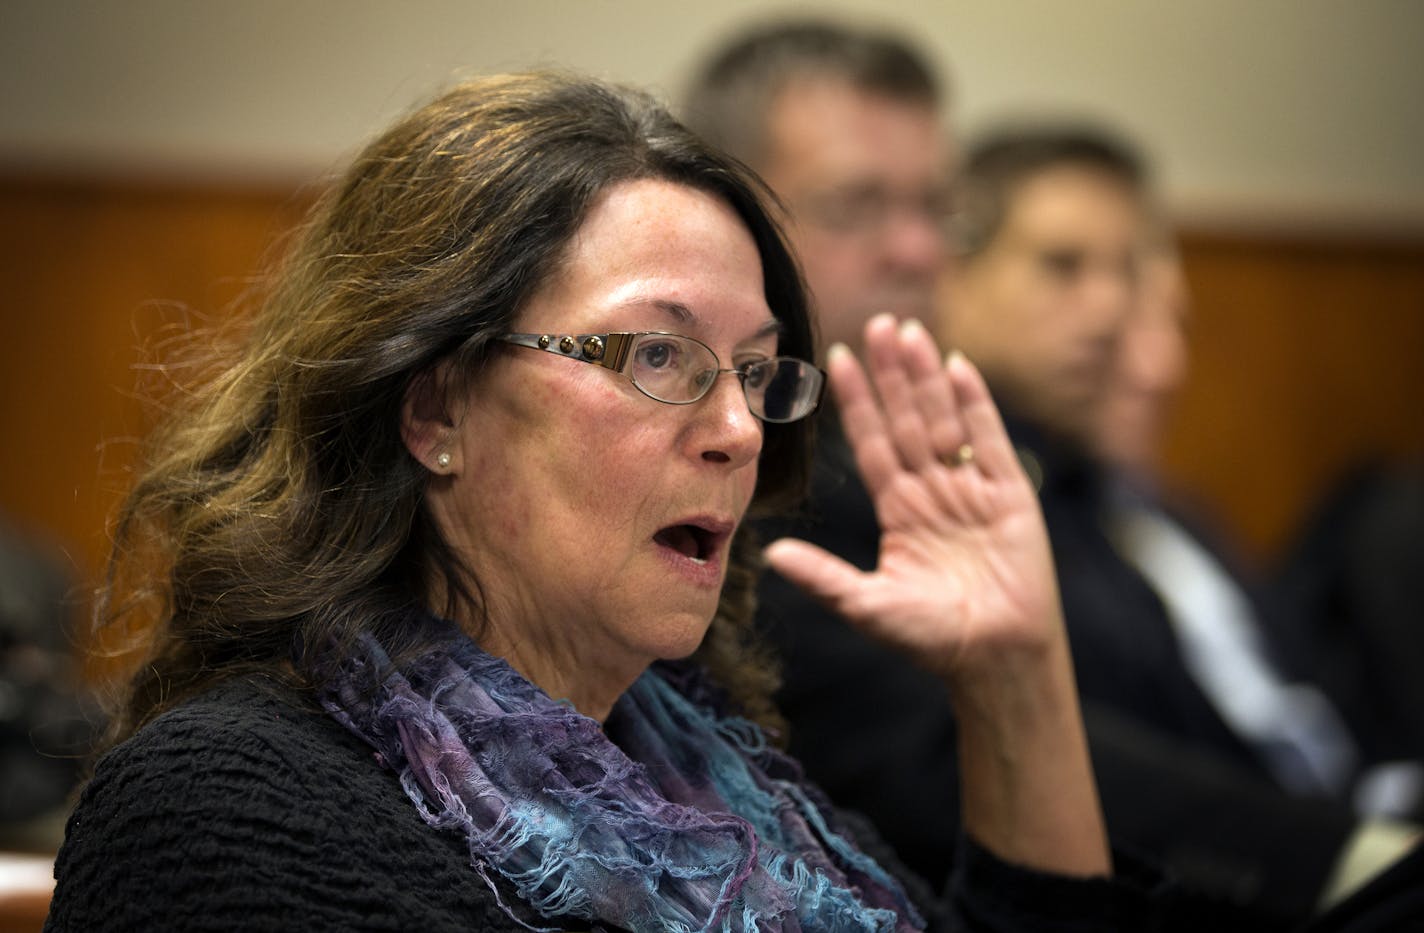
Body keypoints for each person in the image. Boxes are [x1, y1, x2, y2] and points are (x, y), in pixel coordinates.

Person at [45, 72, 1166, 931]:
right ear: (434, 408)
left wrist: (1014, 673)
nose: (737, 431)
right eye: (657, 358)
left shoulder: (711, 774)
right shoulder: (223, 807)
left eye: (758, 373)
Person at [683, 20, 1411, 928]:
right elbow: (928, 757)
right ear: (723, 213)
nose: (916, 251)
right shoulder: (732, 468)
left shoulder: (999, 454)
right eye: (856, 206)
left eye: (933, 210)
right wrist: (1357, 859)